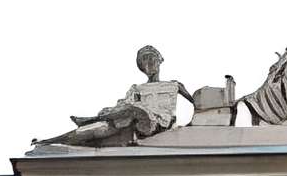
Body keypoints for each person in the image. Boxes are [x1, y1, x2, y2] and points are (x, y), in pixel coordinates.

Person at [35, 47, 193, 150]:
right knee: (100, 127)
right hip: (139, 124)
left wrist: (190, 127)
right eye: (144, 60)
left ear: (159, 60)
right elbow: (124, 107)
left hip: (159, 124)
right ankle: (49, 141)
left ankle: (92, 118)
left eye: (151, 58)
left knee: (132, 109)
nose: (149, 62)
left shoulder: (174, 85)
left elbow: (197, 105)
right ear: (142, 67)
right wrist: (112, 112)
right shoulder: (137, 89)